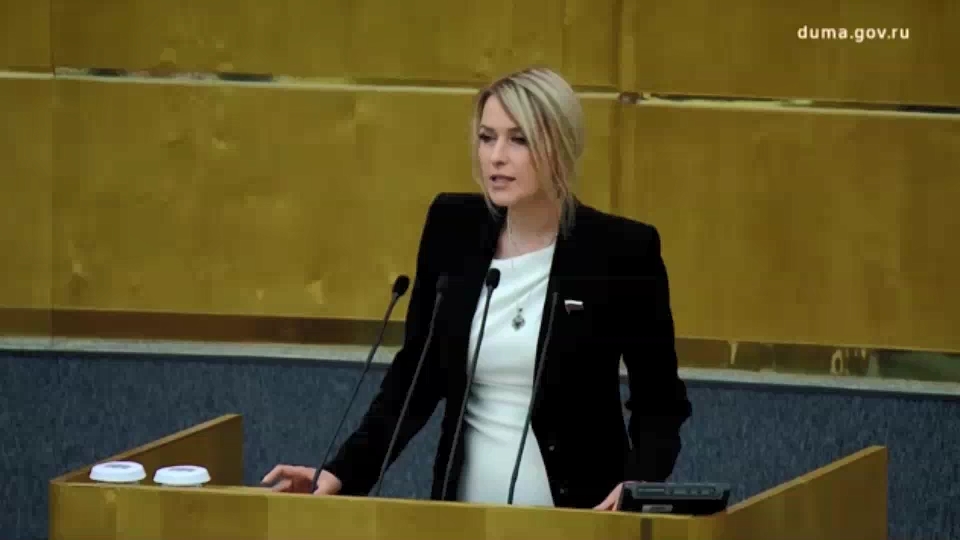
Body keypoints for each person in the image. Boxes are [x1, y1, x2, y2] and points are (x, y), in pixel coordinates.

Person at [262, 67, 692, 511]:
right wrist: (341, 471)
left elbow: (661, 403)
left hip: (581, 519)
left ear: (561, 146)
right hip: (464, 519)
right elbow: (416, 376)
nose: (496, 157)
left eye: (518, 140)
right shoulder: (453, 229)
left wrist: (637, 485)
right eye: (487, 138)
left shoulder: (620, 251)